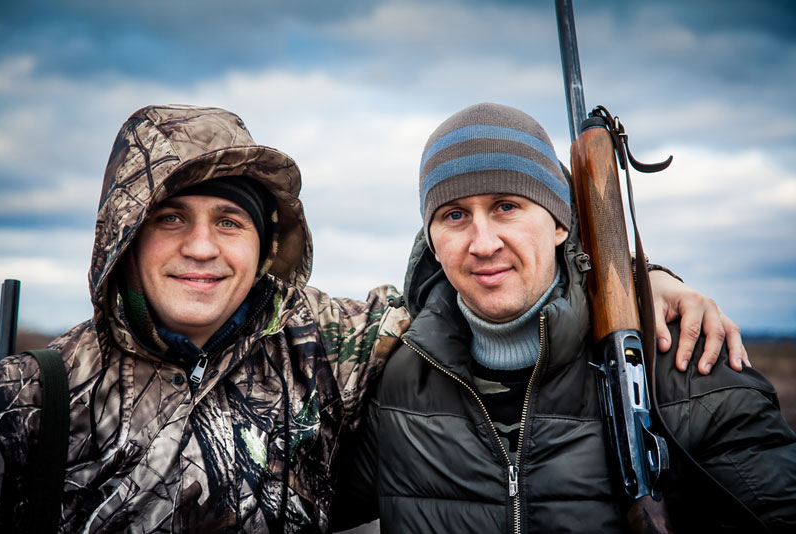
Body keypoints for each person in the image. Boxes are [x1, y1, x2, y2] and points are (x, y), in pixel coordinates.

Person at [0, 104, 753, 533]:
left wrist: (643, 279)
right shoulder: (32, 396)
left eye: (230, 220)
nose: (201, 248)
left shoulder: (331, 349)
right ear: (124, 235)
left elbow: (476, 297)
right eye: (170, 219)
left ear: (263, 244)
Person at [330, 103, 796, 533]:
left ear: (560, 223)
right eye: (454, 215)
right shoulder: (397, 380)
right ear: (431, 241)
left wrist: (645, 277)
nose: (484, 242)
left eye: (506, 207)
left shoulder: (680, 365)